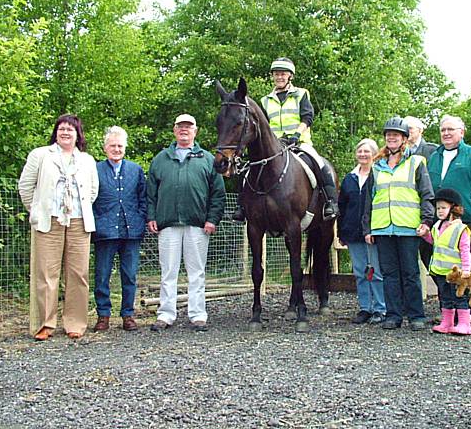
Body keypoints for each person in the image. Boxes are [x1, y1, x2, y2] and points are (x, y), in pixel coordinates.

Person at [18, 114, 99, 341]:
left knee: (78, 274)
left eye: (70, 129)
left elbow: (92, 191)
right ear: (56, 132)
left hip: (78, 222)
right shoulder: (41, 155)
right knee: (46, 273)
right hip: (48, 221)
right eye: (62, 128)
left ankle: (75, 323)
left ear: (77, 134)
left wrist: (75, 209)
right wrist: (36, 210)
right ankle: (45, 324)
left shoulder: (87, 160)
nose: (65, 132)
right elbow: (25, 186)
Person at [232, 57, 338, 222]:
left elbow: (307, 117)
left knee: (320, 164)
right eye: (276, 74)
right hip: (275, 145)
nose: (279, 77)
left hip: (299, 142)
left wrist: (297, 134)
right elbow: (263, 126)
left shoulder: (301, 94)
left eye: (283, 74)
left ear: (290, 76)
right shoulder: (265, 100)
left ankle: (330, 202)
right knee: (248, 168)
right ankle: (241, 206)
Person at [147, 114, 226, 332]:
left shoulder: (208, 159)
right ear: (174, 131)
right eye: (180, 126)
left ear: (195, 131)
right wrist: (151, 216)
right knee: (168, 272)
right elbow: (150, 193)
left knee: (197, 272)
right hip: (168, 223)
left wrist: (212, 219)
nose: (184, 130)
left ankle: (198, 315)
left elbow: (218, 194)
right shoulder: (160, 159)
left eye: (188, 126)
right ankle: (165, 315)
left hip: (198, 225)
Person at [363, 116, 434, 330]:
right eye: (388, 135)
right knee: (389, 274)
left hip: (408, 228)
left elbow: (427, 194)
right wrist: (367, 228)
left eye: (396, 135)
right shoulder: (377, 167)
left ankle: (416, 315)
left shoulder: (416, 163)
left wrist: (427, 220)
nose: (391, 138)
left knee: (410, 273)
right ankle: (393, 315)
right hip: (383, 228)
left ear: (404, 139)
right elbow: (368, 199)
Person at [427, 115, 471, 311]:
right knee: (441, 266)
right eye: (443, 130)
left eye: (451, 129)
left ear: (461, 132)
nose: (446, 133)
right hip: (441, 221)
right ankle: (447, 309)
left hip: (465, 220)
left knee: (466, 264)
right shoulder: (434, 157)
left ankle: (466, 310)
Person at [92, 126, 147, 332]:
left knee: (129, 274)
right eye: (113, 146)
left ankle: (128, 315)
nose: (117, 149)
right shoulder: (95, 170)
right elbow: (90, 198)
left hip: (131, 230)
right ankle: (103, 315)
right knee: (102, 274)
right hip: (105, 231)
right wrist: (96, 221)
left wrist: (141, 218)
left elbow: (143, 198)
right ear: (105, 148)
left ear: (125, 147)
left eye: (120, 146)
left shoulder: (135, 170)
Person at [338, 138, 385, 325]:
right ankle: (365, 307)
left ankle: (381, 308)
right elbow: (342, 206)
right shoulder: (350, 178)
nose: (363, 155)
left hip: (373, 231)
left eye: (367, 151)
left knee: (376, 271)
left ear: (374, 154)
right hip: (352, 232)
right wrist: (341, 232)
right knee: (360, 271)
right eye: (360, 151)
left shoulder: (379, 176)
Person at [417, 188, 471, 335]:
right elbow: (435, 243)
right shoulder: (437, 226)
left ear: (453, 209)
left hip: (457, 274)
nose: (440, 211)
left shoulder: (461, 229)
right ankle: (447, 323)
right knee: (445, 298)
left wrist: (467, 270)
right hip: (441, 272)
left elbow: (465, 250)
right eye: (438, 208)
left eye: (443, 208)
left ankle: (464, 324)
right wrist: (425, 235)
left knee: (460, 297)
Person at [405, 116, 439, 271]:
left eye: (410, 128)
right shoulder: (398, 154)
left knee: (431, 258)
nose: (408, 132)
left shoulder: (433, 151)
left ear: (420, 130)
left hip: (429, 212)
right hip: (406, 214)